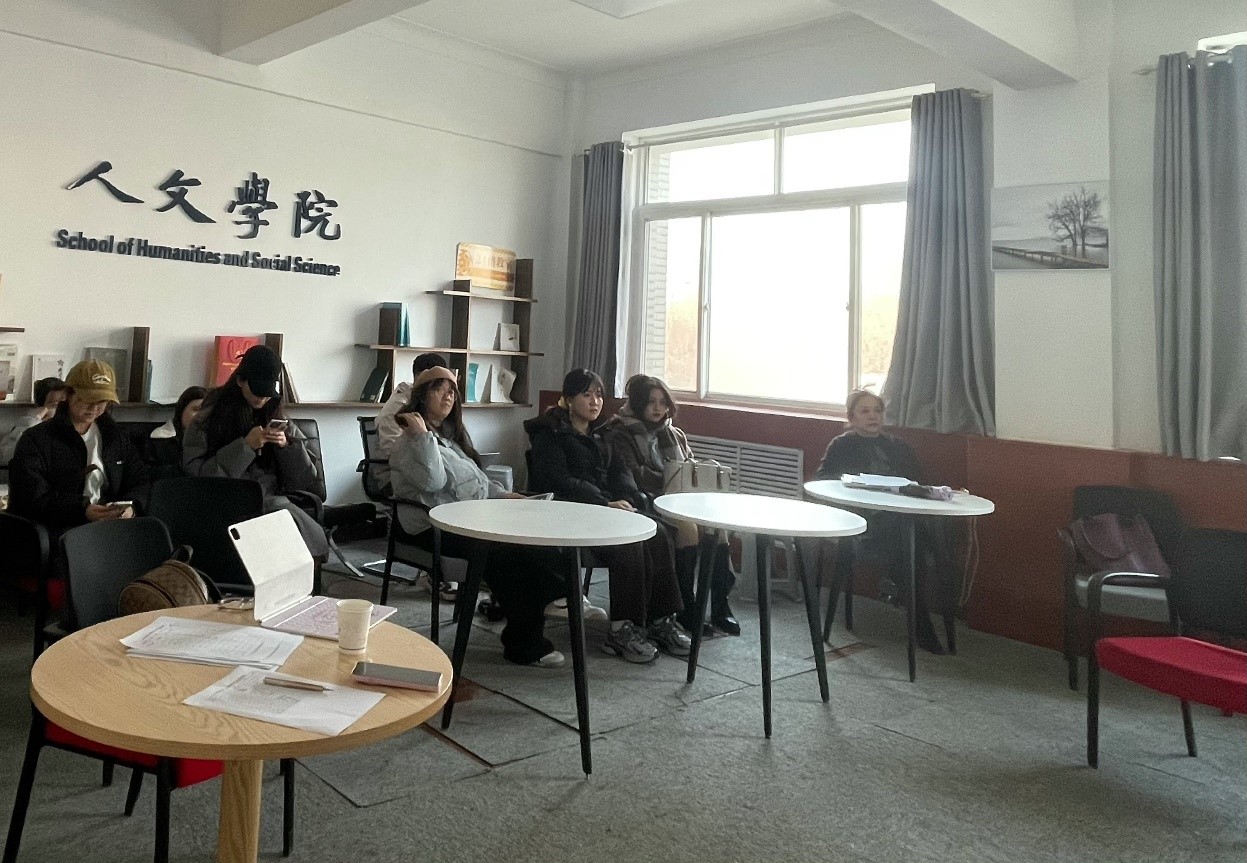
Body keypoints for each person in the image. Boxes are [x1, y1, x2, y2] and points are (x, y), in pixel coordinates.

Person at [389, 366, 568, 667]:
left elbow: (478, 482)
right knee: (503, 552)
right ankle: (528, 637)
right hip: (430, 528)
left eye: (452, 391)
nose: (448, 396)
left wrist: (508, 496)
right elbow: (433, 482)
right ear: (421, 396)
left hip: (466, 519)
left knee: (533, 537)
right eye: (439, 389)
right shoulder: (411, 442)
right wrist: (422, 437)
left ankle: (553, 599)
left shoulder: (448, 439)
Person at [524, 369, 691, 664]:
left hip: (606, 509)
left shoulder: (602, 433)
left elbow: (620, 473)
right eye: (587, 395)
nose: (595, 401)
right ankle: (621, 630)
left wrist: (631, 497)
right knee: (629, 544)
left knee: (658, 532)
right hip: (570, 514)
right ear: (568, 399)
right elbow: (560, 481)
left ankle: (660, 620)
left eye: (599, 395)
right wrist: (605, 502)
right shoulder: (549, 433)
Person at [815, 389, 952, 654]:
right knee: (910, 543)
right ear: (852, 417)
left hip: (899, 518)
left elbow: (917, 483)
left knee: (917, 537)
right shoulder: (841, 446)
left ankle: (906, 596)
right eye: (864, 411)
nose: (873, 416)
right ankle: (919, 620)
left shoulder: (899, 447)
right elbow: (823, 482)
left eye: (877, 411)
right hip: (861, 523)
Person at [604, 374, 740, 636]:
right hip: (647, 500)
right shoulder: (621, 432)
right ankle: (686, 607)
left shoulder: (673, 433)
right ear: (638, 403)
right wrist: (671, 476)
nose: (658, 408)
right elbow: (632, 475)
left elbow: (689, 466)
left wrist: (687, 475)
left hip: (681, 498)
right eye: (651, 402)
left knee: (717, 528)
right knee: (688, 528)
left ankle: (720, 606)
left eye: (662, 402)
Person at [183, 345, 328, 557]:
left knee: (300, 537)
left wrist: (287, 446)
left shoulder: (276, 415)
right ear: (240, 381)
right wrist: (245, 447)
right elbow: (198, 476)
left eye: (267, 394)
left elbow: (304, 479)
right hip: (224, 504)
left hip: (271, 503)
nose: (262, 399)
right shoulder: (208, 420)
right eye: (257, 392)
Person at [8, 361, 145, 537]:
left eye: (102, 401)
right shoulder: (36, 440)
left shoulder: (115, 437)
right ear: (68, 395)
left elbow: (139, 481)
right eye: (87, 399)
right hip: (58, 532)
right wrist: (82, 510)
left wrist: (131, 507)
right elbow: (32, 497)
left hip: (112, 530)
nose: (94, 408)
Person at [0, 377, 68, 467]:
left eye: (65, 404)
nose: (63, 410)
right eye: (55, 405)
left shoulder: (70, 429)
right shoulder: (26, 426)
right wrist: (35, 420)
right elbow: (6, 456)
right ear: (41, 409)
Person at [142, 385, 206, 479]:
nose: (201, 416)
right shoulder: (160, 439)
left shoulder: (209, 441)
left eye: (206, 411)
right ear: (181, 410)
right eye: (196, 409)